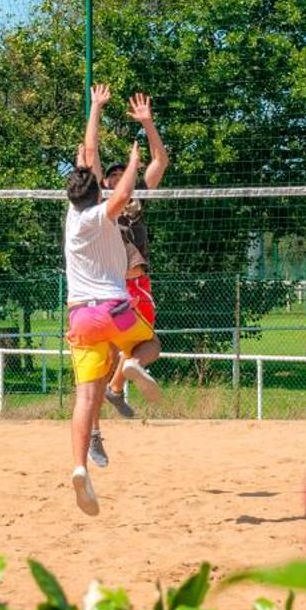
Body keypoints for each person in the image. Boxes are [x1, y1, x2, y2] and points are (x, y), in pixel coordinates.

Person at [62, 84, 161, 516]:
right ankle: (135, 364)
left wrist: (95, 109)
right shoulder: (107, 212)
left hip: (80, 316)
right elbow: (119, 193)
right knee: (149, 344)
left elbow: (88, 152)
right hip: (115, 308)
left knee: (85, 395)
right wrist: (134, 159)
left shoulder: (73, 218)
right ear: (98, 191)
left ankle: (78, 467)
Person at [102, 92, 169, 419]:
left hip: (131, 286)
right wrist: (95, 111)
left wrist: (147, 123)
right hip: (121, 286)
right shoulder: (100, 205)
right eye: (111, 177)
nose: (118, 179)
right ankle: (119, 380)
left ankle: (115, 390)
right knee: (149, 346)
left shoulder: (138, 197)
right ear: (104, 184)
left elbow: (160, 161)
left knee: (135, 347)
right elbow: (89, 161)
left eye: (121, 175)